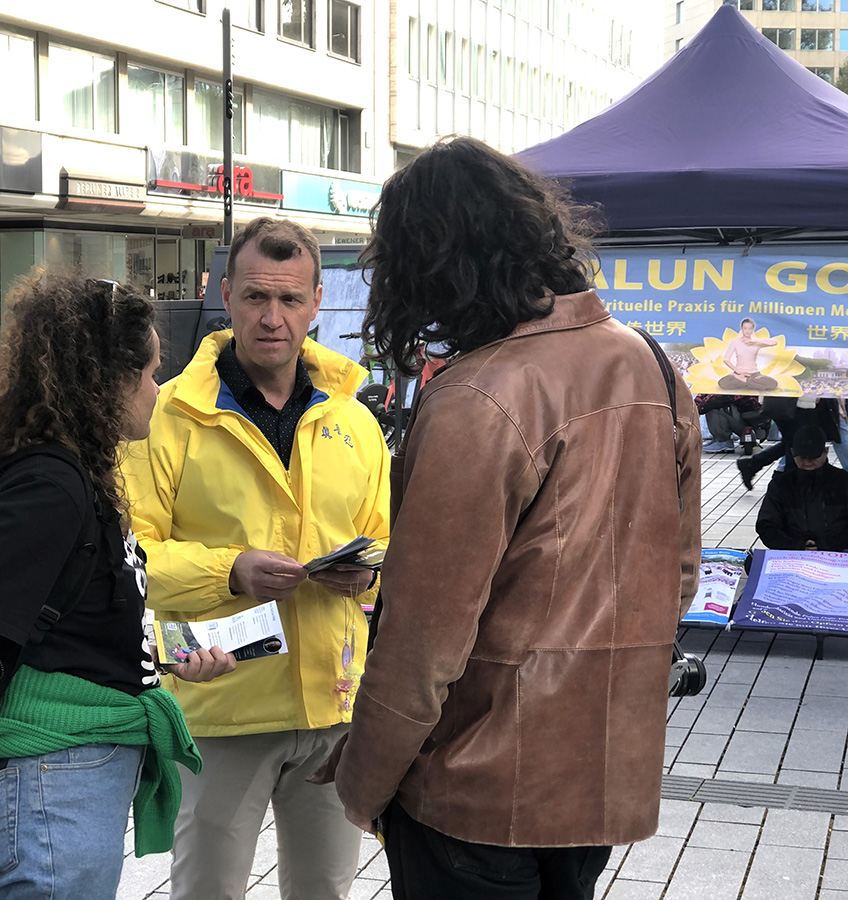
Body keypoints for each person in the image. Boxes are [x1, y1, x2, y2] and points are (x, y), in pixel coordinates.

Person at [313, 137, 702, 900]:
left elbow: (425, 638)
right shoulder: (651, 364)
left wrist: (364, 780)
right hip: (598, 777)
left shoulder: (479, 396)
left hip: (474, 789)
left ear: (432, 264)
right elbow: (679, 577)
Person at [0, 272, 236, 900]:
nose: (157, 391)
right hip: (47, 786)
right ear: (109, 380)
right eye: (152, 372)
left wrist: (163, 661)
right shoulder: (51, 484)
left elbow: (64, 620)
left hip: (64, 783)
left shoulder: (70, 472)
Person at [123, 216, 391, 900]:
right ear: (225, 293)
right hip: (220, 704)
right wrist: (231, 570)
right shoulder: (167, 416)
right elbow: (130, 560)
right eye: (255, 297)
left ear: (316, 304)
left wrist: (367, 574)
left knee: (325, 892)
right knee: (208, 892)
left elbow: (385, 544)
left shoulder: (355, 420)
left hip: (334, 708)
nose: (273, 318)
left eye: (290, 300)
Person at [756, 424, 848, 551]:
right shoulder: (781, 484)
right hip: (792, 552)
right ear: (793, 453)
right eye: (803, 457)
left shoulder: (842, 481)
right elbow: (766, 525)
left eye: (813, 457)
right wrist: (796, 545)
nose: (808, 462)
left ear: (826, 452)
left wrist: (827, 545)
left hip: (837, 551)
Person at [718, 317, 778, 391]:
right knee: (722, 383)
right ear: (742, 329)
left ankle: (745, 382)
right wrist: (737, 371)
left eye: (750, 329)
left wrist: (755, 341)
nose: (747, 331)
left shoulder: (757, 343)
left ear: (753, 330)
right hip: (739, 374)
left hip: (754, 375)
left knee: (773, 384)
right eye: (745, 328)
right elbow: (726, 359)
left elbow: (774, 342)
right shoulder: (735, 342)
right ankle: (751, 384)